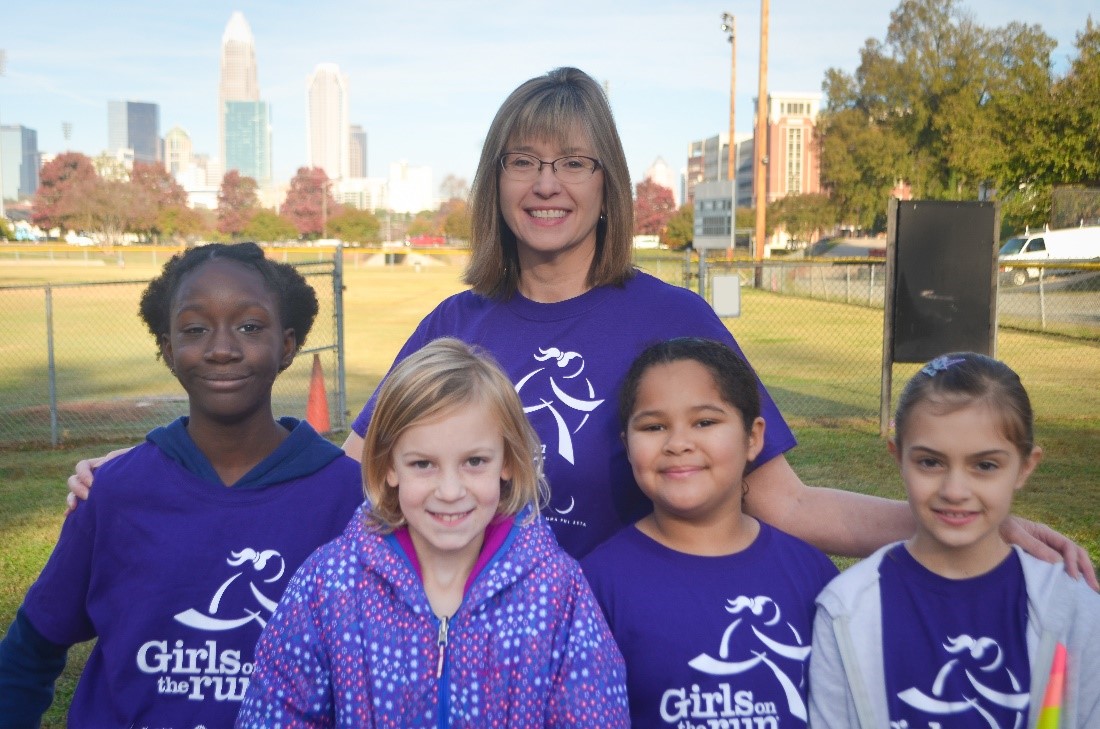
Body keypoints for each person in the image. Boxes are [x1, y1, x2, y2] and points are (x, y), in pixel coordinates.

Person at [67, 67, 1096, 582]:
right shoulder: (456, 321)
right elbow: (346, 483)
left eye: (571, 162)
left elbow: (784, 501)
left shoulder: (676, 320)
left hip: (638, 643)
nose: (547, 183)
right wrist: (155, 471)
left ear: (605, 184)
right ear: (496, 182)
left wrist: (959, 523)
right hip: (489, 660)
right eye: (524, 161)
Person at [0, 243, 364, 728]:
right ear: (169, 350)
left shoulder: (349, 499)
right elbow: (29, 652)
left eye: (250, 327)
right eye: (195, 329)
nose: (221, 348)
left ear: (288, 345)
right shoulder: (114, 492)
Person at [237, 337, 629, 727]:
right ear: (389, 467)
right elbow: (276, 711)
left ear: (507, 462)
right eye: (423, 464)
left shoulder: (557, 590)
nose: (450, 491)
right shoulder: (330, 585)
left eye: (474, 461)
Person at [808, 352, 1100, 728]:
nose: (955, 490)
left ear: (1025, 467)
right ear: (898, 458)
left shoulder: (1072, 608)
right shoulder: (846, 609)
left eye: (985, 465)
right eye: (930, 462)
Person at [582, 338, 838, 728]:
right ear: (627, 446)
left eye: (705, 422)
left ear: (753, 437)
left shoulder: (810, 573)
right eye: (654, 426)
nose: (678, 444)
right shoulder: (595, 585)